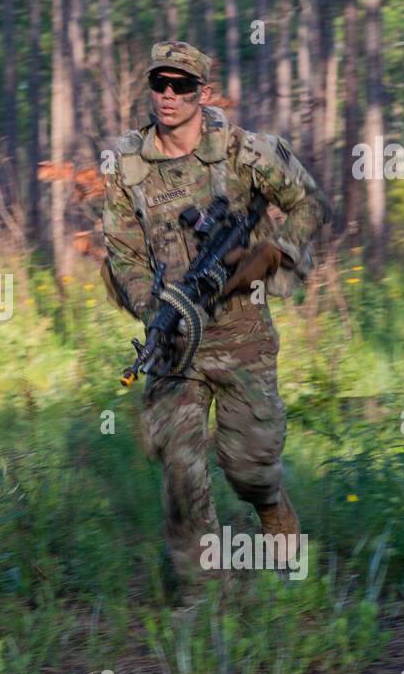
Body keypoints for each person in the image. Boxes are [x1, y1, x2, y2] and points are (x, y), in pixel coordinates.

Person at [101, 40, 330, 585]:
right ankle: (201, 603)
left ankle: (272, 509)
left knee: (249, 468)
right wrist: (158, 308)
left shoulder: (246, 152)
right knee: (180, 470)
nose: (168, 95)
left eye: (181, 86)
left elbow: (310, 204)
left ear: (203, 93)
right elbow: (124, 254)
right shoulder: (129, 166)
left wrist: (270, 253)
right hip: (175, 341)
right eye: (160, 83)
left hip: (242, 333)